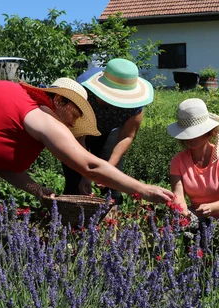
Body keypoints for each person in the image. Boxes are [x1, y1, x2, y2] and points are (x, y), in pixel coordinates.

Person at [0, 78, 172, 218]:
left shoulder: (29, 123)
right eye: (76, 116)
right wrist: (144, 190)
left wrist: (38, 191)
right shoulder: (39, 118)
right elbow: (89, 165)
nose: (74, 125)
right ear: (61, 103)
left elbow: (4, 166)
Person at [62, 58, 154, 205]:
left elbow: (126, 136)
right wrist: (86, 173)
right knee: (76, 184)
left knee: (112, 187)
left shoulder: (135, 106)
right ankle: (72, 224)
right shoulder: (83, 92)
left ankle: (111, 224)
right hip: (76, 134)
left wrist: (108, 169)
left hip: (108, 133)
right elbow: (79, 135)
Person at [168, 98, 219, 220]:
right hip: (198, 213)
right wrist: (182, 209)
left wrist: (211, 207)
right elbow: (178, 194)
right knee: (175, 222)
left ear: (209, 132)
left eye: (195, 133)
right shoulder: (178, 160)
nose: (191, 138)